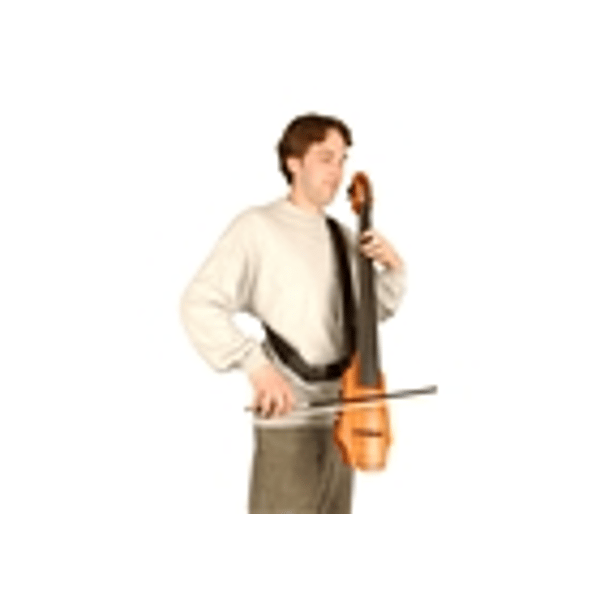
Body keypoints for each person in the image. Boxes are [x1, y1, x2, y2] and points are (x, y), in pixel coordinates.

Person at [180, 113, 406, 513]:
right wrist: (256, 366)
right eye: (325, 158)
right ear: (293, 162)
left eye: (342, 159)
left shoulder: (341, 236)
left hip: (345, 421)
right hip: (290, 424)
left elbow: (371, 315)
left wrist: (394, 269)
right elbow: (199, 303)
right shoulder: (257, 227)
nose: (337, 171)